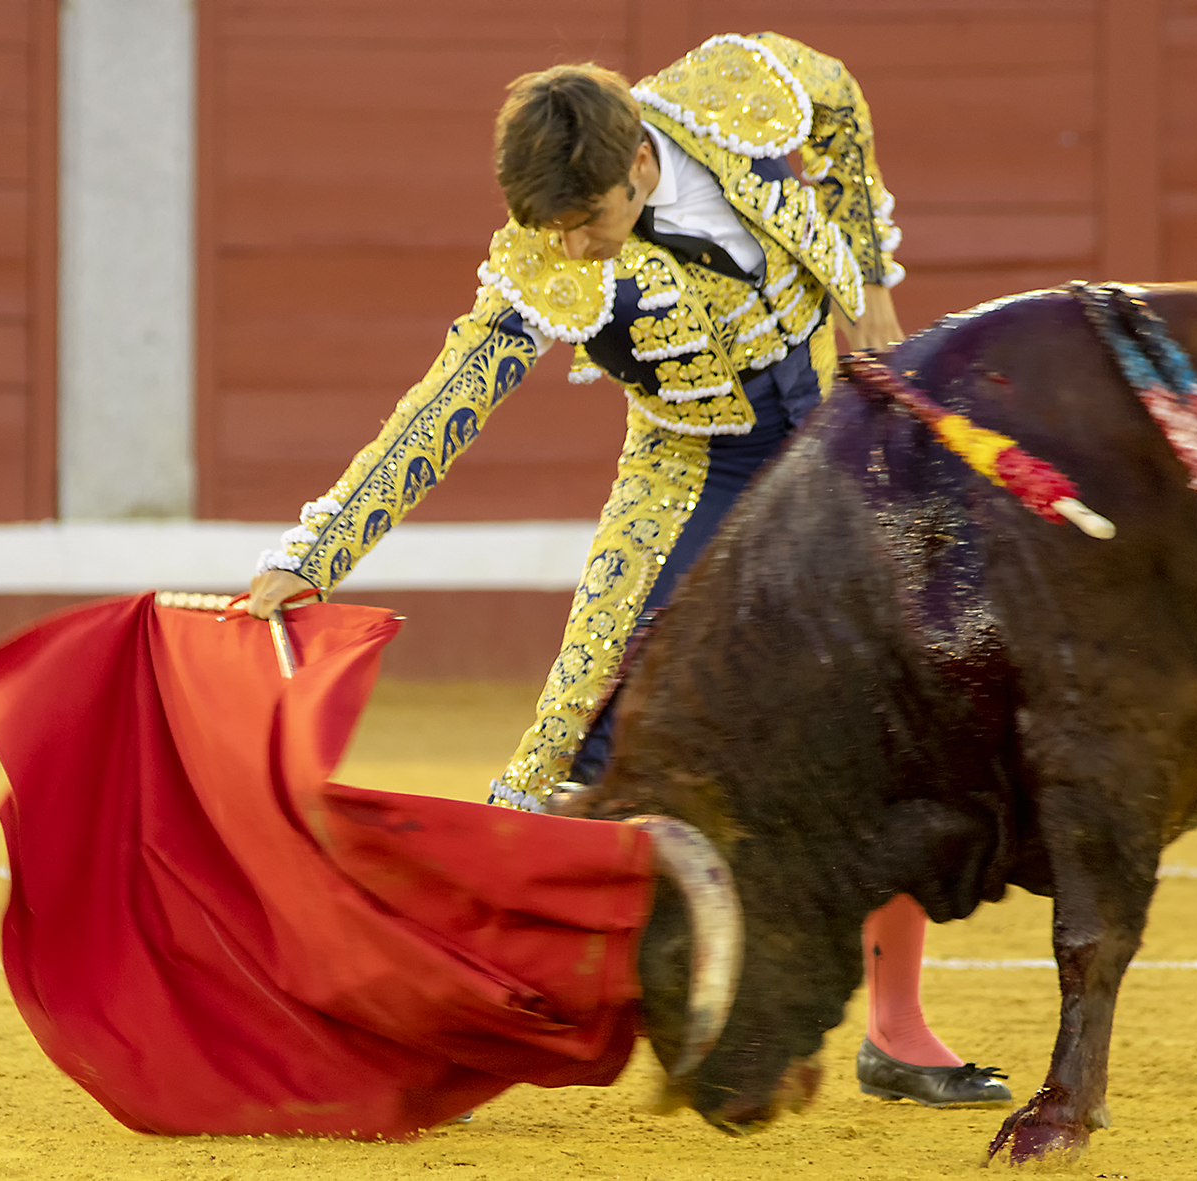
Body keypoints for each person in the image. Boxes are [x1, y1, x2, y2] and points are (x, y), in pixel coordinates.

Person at [246, 32, 1010, 1109]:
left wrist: (872, 280)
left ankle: (897, 1030)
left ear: (640, 165)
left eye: (587, 221)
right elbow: (447, 402)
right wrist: (316, 551)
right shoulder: (542, 260)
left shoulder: (734, 89)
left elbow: (834, 98)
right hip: (694, 472)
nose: (574, 250)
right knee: (581, 730)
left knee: (905, 713)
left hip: (835, 443)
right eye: (549, 229)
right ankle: (431, 1007)